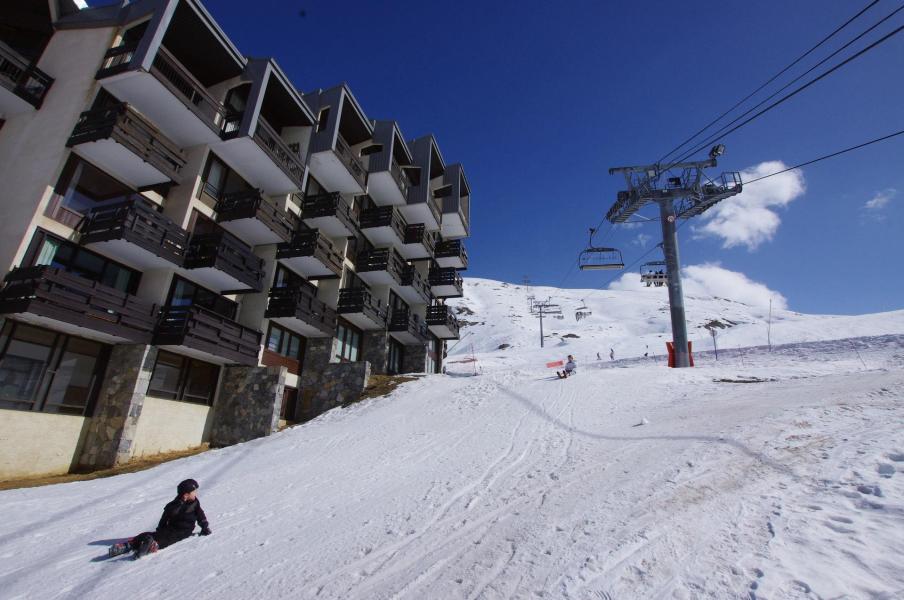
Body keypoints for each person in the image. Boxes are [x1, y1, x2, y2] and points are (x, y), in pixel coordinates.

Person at [108, 479, 211, 559]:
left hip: (184, 531)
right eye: (194, 491)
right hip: (171, 527)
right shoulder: (174, 505)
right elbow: (165, 517)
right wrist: (160, 528)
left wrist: (204, 526)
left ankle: (153, 545)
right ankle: (130, 544)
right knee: (152, 534)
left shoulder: (195, 503)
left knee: (169, 539)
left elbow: (200, 514)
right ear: (186, 495)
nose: (196, 493)